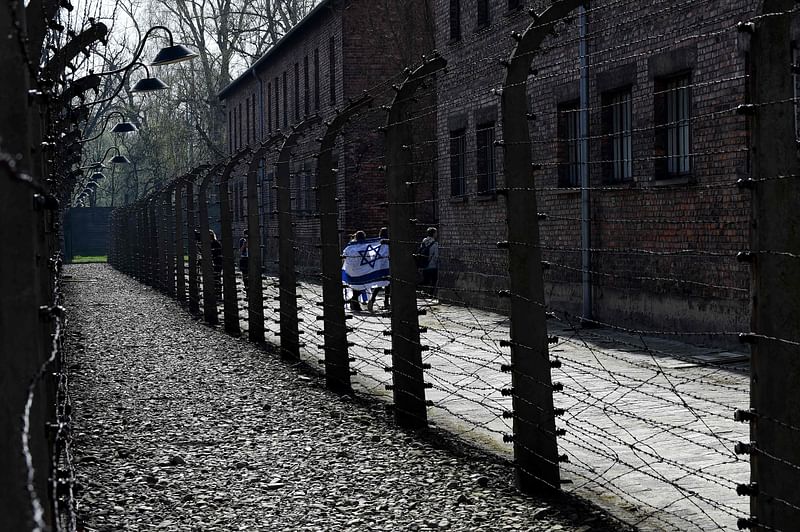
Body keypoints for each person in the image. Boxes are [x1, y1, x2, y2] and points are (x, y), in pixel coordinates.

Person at [367, 227, 390, 312]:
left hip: (378, 267)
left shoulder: (377, 243)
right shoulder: (388, 243)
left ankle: (372, 299)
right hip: (387, 266)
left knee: (379, 284)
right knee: (388, 284)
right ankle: (386, 302)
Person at [418, 227, 439, 299]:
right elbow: (436, 256)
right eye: (436, 232)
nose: (437, 234)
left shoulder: (424, 241)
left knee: (425, 281)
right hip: (432, 265)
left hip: (424, 265)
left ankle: (416, 288)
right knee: (434, 280)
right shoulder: (435, 244)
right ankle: (431, 294)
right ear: (433, 234)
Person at [209, 230, 223, 299]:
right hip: (216, 262)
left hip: (218, 263)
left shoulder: (215, 243)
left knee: (217, 277)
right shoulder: (214, 243)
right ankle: (217, 293)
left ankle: (218, 294)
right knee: (216, 277)